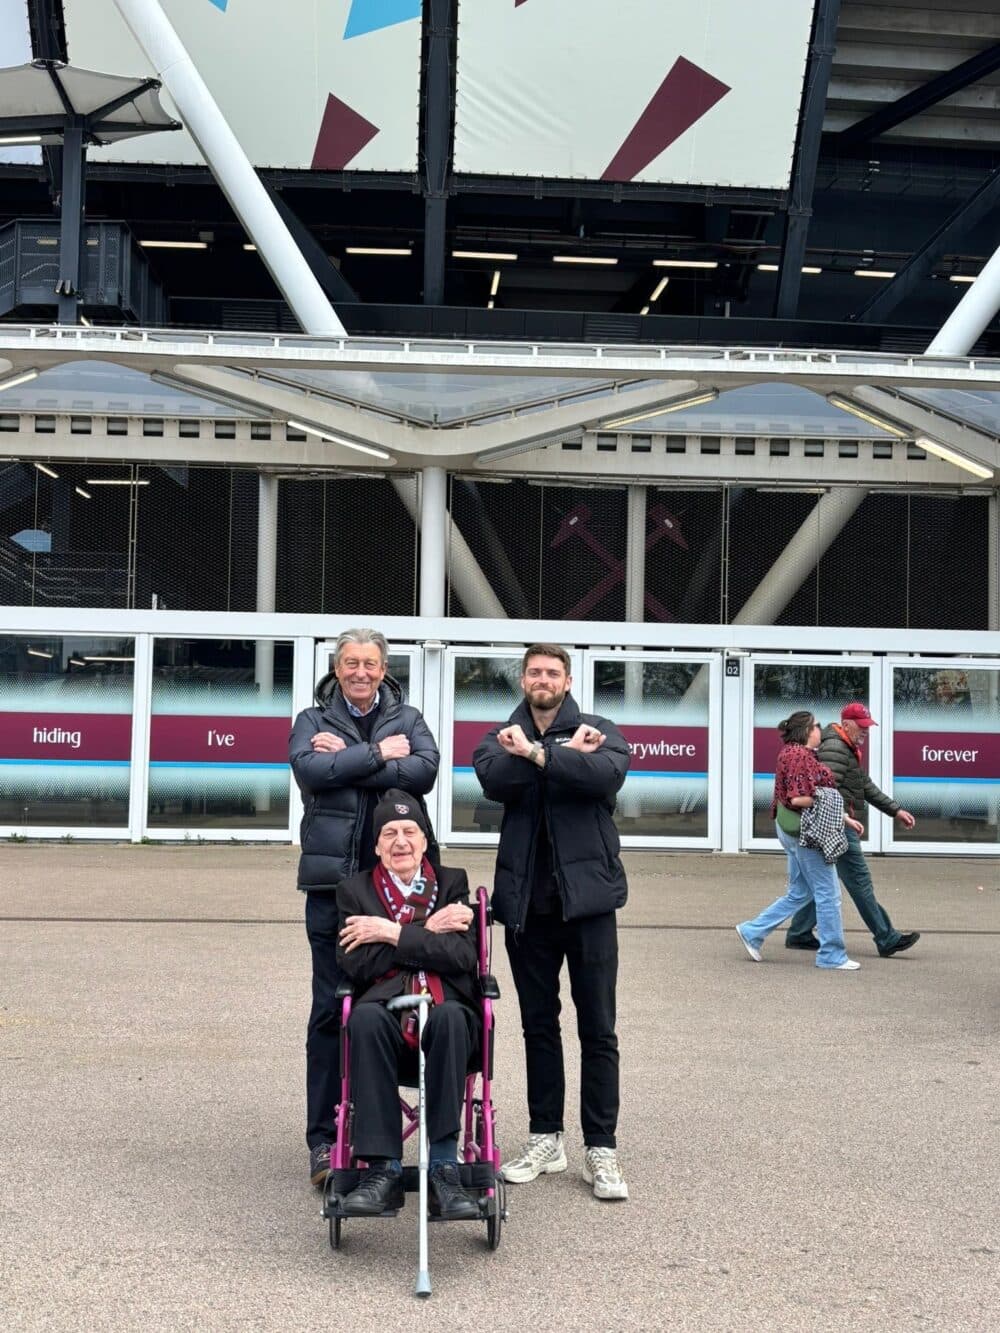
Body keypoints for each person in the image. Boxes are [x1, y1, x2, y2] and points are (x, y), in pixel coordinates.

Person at [473, 643, 630, 1202]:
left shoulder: (599, 727)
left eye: (552, 673)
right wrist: (562, 759)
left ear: (567, 681)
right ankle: (546, 1138)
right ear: (523, 679)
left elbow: (606, 777)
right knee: (539, 1025)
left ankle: (601, 1149)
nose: (542, 680)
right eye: (534, 672)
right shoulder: (499, 735)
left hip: (587, 904)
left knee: (598, 1028)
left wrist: (539, 756)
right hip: (527, 908)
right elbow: (494, 781)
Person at [289, 629, 440, 1188]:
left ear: (383, 669)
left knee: (399, 1001)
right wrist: (379, 753)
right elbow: (311, 773)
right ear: (337, 667)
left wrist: (349, 761)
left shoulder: (411, 716)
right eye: (350, 663)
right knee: (331, 1008)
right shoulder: (311, 719)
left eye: (369, 664)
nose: (359, 672)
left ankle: (397, 1127)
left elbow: (423, 773)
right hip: (333, 890)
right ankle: (325, 1140)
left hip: (400, 887)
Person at [335, 789, 479, 1221]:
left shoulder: (453, 883)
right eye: (390, 833)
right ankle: (382, 1170)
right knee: (363, 1017)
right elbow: (358, 965)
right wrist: (426, 931)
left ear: (424, 839)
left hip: (444, 1020)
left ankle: (443, 1167)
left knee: (454, 1016)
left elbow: (461, 958)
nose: (401, 841)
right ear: (377, 845)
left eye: (410, 831)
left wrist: (391, 932)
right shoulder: (353, 891)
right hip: (385, 1025)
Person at [785, 702, 920, 958]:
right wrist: (845, 819)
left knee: (824, 884)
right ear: (847, 724)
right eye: (862, 726)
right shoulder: (836, 747)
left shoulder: (846, 747)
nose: (866, 731)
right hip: (837, 825)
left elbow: (864, 785)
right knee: (858, 881)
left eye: (868, 726)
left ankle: (799, 933)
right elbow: (824, 791)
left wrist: (895, 810)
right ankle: (886, 937)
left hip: (837, 822)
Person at [736, 710, 864, 971]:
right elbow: (799, 799)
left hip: (793, 830)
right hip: (805, 833)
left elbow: (805, 794)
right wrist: (829, 800)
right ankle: (831, 955)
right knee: (829, 894)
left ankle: (752, 931)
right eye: (816, 726)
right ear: (807, 731)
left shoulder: (793, 753)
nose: (820, 729)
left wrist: (842, 818)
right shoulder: (799, 756)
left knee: (800, 892)